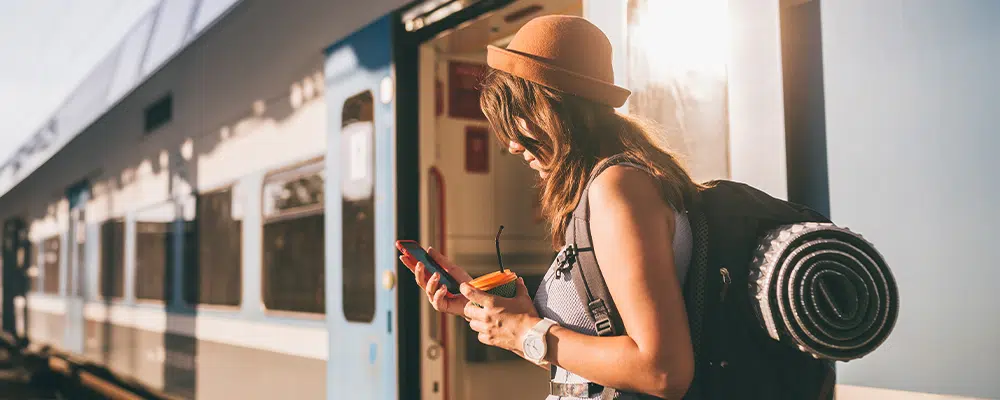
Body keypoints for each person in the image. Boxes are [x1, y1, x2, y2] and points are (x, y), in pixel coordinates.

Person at [399, 15, 701, 399]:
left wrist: (525, 330)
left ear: (552, 109)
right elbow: (589, 366)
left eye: (516, 118)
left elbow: (662, 371)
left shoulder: (617, 188)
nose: (511, 144)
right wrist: (494, 317)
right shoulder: (604, 188)